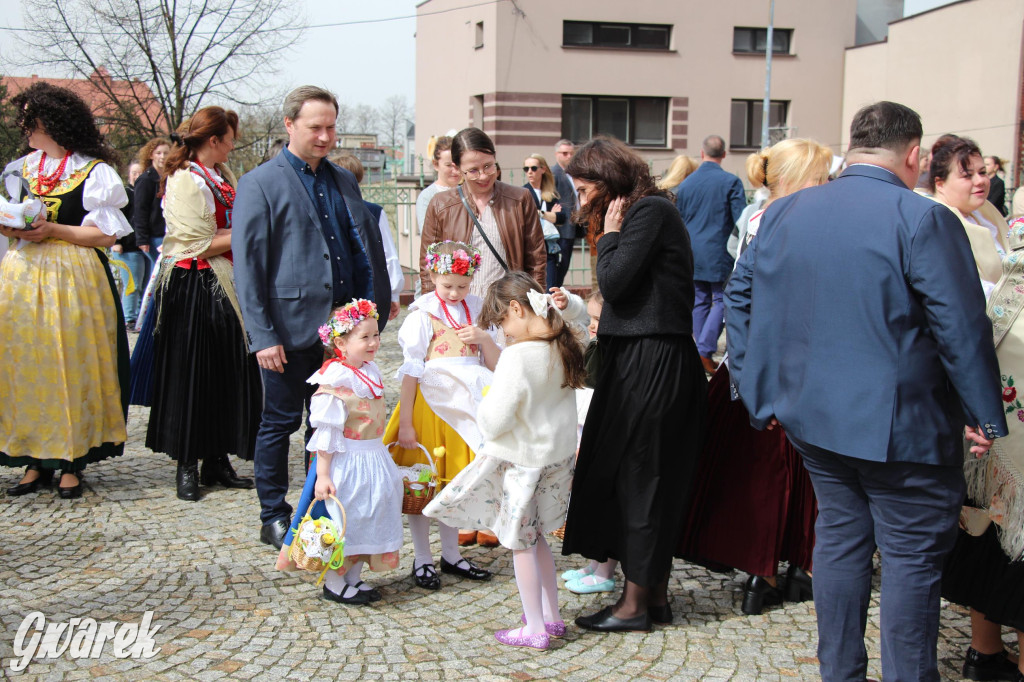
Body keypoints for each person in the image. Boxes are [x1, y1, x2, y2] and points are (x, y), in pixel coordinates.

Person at [725, 101, 1007, 682]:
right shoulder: (922, 219)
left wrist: (760, 391)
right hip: (901, 430)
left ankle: (842, 674)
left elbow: (741, 297)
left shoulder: (784, 212)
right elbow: (961, 326)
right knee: (906, 563)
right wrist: (985, 414)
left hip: (814, 418)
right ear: (913, 155)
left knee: (841, 543)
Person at [678, 138, 833, 616]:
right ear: (799, 179)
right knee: (777, 474)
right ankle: (773, 571)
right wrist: (751, 377)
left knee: (777, 474)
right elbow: (742, 297)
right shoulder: (781, 221)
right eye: (821, 177)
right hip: (781, 370)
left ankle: (775, 572)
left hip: (766, 367)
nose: (828, 186)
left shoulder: (769, 218)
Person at [233, 85, 391, 549]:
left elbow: (360, 250)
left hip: (339, 336)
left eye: (331, 127)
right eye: (315, 127)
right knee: (280, 423)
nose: (325, 136)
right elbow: (250, 267)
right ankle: (273, 514)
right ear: (289, 125)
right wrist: (262, 335)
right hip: (287, 329)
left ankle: (317, 509)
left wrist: (367, 316)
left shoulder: (344, 179)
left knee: (329, 426)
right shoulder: (259, 182)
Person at [561, 137, 708, 633]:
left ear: (609, 182)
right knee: (641, 480)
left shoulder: (646, 214)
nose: (581, 202)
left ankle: (635, 605)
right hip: (642, 359)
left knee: (643, 481)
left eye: (585, 190)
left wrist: (613, 234)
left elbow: (617, 282)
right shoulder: (648, 213)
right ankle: (654, 595)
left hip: (654, 360)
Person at [424, 271, 584, 650]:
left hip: (524, 465)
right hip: (557, 459)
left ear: (517, 308)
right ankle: (552, 616)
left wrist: (479, 401)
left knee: (521, 545)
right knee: (539, 537)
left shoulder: (517, 357)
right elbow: (583, 321)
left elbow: (494, 421)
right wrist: (569, 304)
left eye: (503, 322)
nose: (503, 332)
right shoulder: (565, 342)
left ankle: (534, 628)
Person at [0, 82, 132, 500]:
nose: (25, 130)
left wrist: (53, 230)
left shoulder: (93, 172)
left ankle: (72, 459)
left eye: (29, 122)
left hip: (74, 277)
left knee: (72, 363)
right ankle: (33, 458)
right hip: (23, 277)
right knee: (27, 364)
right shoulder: (19, 169)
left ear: (49, 124)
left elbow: (105, 235)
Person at [145, 107, 260, 501]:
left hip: (223, 283)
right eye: (229, 138)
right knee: (191, 373)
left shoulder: (219, 175)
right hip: (193, 285)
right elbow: (196, 243)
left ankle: (217, 458)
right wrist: (251, 231)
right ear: (214, 140)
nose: (232, 145)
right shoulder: (185, 180)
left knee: (225, 372)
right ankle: (187, 463)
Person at [383, 241, 500, 589]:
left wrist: (485, 340)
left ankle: (452, 555)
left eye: (462, 286)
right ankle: (422, 558)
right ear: (433, 275)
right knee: (424, 483)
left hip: (468, 404)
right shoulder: (422, 313)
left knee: (454, 481)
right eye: (447, 285)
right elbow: (411, 371)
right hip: (430, 405)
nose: (454, 293)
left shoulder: (478, 311)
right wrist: (406, 421)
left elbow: (495, 367)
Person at [276, 299, 403, 605]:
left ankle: (354, 576)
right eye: (365, 337)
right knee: (343, 521)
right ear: (341, 343)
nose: (374, 342)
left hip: (373, 457)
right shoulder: (334, 380)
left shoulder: (369, 370)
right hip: (347, 462)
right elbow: (326, 435)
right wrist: (322, 475)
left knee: (371, 515)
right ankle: (334, 582)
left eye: (376, 335)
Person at [943, 216, 1024, 682]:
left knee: (990, 533)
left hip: (988, 448)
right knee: (1012, 540)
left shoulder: (1007, 286)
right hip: (1008, 455)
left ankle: (984, 651)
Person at [420, 127, 545, 298]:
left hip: (507, 306)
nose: (483, 176)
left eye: (488, 166)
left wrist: (535, 302)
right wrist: (433, 310)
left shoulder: (519, 199)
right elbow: (428, 265)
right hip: (459, 305)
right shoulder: (441, 204)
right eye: (473, 170)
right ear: (457, 168)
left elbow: (536, 260)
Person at [560, 289, 620, 596]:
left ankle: (605, 569)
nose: (592, 325)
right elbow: (576, 322)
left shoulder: (614, 352)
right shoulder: (598, 343)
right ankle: (595, 564)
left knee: (601, 503)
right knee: (586, 501)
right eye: (592, 318)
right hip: (585, 428)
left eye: (599, 319)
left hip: (599, 435)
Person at [674, 134, 747, 374]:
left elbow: (679, 219)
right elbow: (740, 220)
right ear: (724, 154)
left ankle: (699, 348)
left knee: (700, 300)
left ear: (702, 153)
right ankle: (704, 350)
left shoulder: (686, 183)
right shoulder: (731, 182)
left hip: (692, 249)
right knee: (720, 300)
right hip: (719, 251)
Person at [921, 136, 1008, 299]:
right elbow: (967, 289)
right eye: (967, 176)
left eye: (983, 172)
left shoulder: (984, 213)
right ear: (940, 184)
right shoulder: (937, 223)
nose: (980, 181)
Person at [328, 152, 403, 321]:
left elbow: (387, 255)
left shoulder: (373, 212)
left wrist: (394, 293)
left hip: (366, 287)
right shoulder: (329, 211)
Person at [522, 154, 566, 288]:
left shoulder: (550, 194)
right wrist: (549, 214)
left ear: (543, 169)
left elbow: (561, 218)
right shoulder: (523, 192)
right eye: (526, 168)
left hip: (549, 248)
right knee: (533, 288)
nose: (529, 172)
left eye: (534, 168)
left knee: (551, 288)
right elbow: (526, 217)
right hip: (531, 247)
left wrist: (540, 213)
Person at [110, 160, 145, 329]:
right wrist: (116, 241)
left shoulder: (145, 191)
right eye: (134, 173)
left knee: (144, 285)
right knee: (133, 284)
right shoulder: (125, 193)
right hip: (126, 246)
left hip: (141, 245)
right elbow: (116, 217)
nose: (137, 176)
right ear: (129, 175)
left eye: (140, 172)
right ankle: (129, 318)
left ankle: (140, 317)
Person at [415, 135, 461, 233]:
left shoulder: (468, 193)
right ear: (436, 164)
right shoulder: (427, 196)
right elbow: (427, 235)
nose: (455, 171)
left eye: (457, 164)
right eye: (449, 165)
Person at [551, 139, 580, 288]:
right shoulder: (553, 173)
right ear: (557, 154)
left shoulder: (572, 174)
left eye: (571, 153)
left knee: (565, 263)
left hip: (571, 226)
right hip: (560, 228)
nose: (569, 156)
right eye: (565, 153)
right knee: (559, 265)